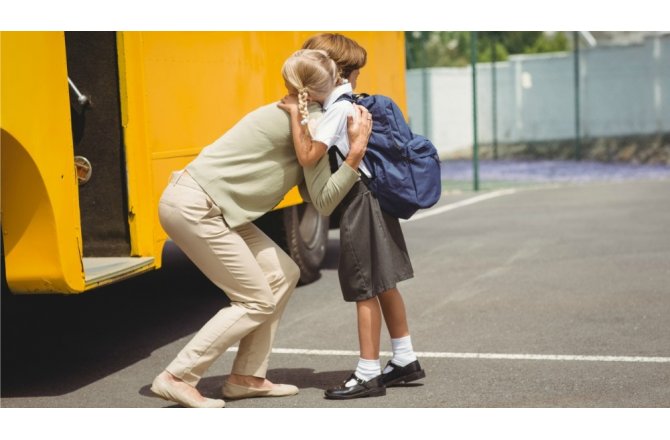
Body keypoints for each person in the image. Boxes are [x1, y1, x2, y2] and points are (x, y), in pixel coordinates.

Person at [150, 49, 372, 408]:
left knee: (283, 272)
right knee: (254, 299)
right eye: (346, 77)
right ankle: (178, 376)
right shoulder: (312, 123)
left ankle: (246, 377)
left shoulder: (297, 114)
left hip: (207, 204)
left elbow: (309, 189)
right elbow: (324, 202)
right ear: (335, 82)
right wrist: (355, 153)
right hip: (198, 207)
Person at [281, 33, 426, 400]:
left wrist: (296, 115)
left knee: (365, 288)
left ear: (332, 72)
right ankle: (405, 359)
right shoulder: (351, 103)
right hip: (376, 198)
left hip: (358, 203)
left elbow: (310, 156)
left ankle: (368, 372)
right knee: (384, 283)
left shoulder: (337, 110)